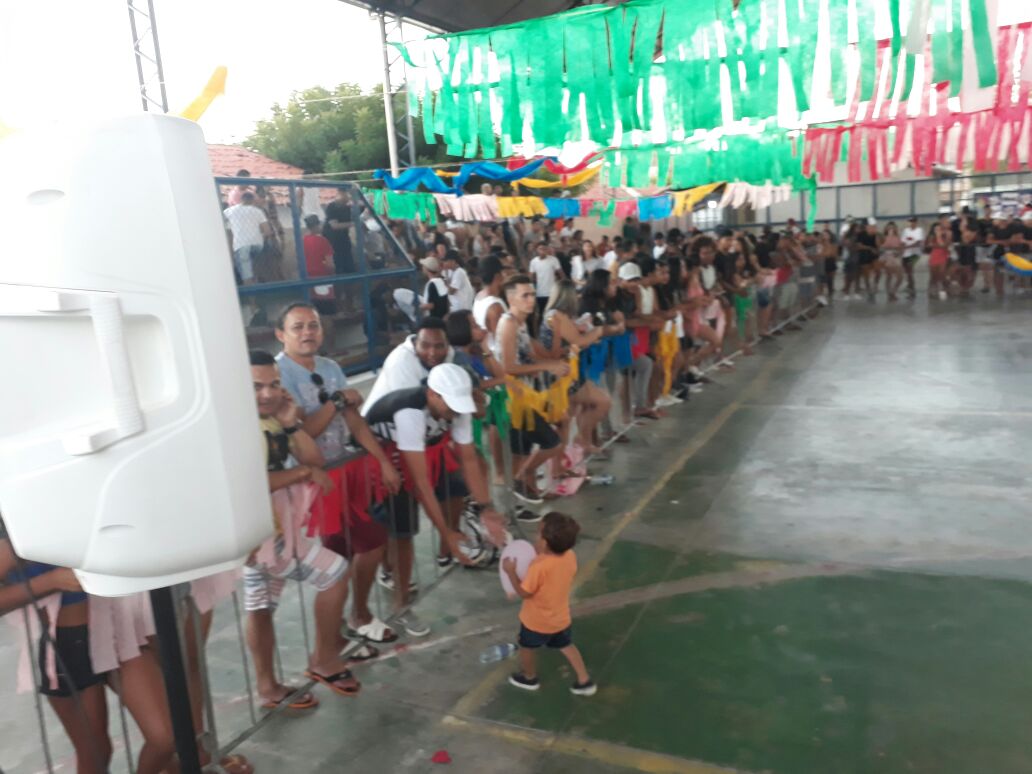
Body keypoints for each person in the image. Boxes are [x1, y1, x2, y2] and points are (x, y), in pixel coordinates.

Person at [274, 303, 403, 646]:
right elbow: (303, 433)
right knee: (366, 544)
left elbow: (353, 421)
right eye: (298, 327)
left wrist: (382, 461)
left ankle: (340, 629)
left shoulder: (329, 367)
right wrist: (335, 401)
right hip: (312, 479)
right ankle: (351, 621)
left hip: (344, 471)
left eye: (313, 325)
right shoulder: (279, 375)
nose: (307, 332)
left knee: (344, 554)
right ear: (281, 334)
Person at [362, 364, 505, 635]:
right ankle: (401, 604)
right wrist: (447, 534)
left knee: (454, 488)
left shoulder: (457, 408)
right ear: (432, 394)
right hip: (385, 459)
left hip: (424, 450)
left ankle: (430, 562)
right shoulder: (410, 412)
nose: (455, 412)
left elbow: (468, 459)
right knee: (403, 532)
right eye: (450, 405)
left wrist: (486, 508)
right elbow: (421, 483)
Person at [495, 274, 570, 504]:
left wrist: (552, 361)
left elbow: (529, 355)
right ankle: (521, 479)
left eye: (532, 295)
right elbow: (508, 367)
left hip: (525, 394)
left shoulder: (521, 323)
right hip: (514, 399)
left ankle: (523, 497)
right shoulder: (508, 324)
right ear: (511, 299)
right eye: (525, 295)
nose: (531, 300)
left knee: (522, 451)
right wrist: (547, 366)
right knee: (552, 443)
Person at [503, 512, 596, 696]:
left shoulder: (538, 566)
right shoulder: (569, 556)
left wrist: (511, 572)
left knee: (526, 647)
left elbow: (525, 593)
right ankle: (584, 680)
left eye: (538, 533)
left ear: (545, 543)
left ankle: (529, 678)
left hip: (536, 622)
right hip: (560, 619)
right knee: (566, 645)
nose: (535, 536)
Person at [539, 280, 611, 455]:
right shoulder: (556, 316)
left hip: (567, 370)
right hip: (562, 373)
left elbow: (572, 342)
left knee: (568, 415)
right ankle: (572, 448)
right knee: (600, 402)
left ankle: (574, 448)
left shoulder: (556, 315)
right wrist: (598, 331)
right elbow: (578, 341)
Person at [223, 191, 271, 286]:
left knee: (246, 272)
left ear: (241, 200)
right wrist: (261, 237)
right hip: (257, 244)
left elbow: (218, 220)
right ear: (252, 201)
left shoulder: (231, 210)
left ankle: (251, 293)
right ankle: (255, 283)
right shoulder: (258, 211)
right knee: (252, 266)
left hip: (241, 245)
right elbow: (267, 231)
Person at [302, 215, 337, 315]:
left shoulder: (302, 241)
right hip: (323, 278)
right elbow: (330, 264)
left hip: (307, 279)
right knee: (327, 313)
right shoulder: (323, 241)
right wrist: (333, 275)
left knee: (313, 312)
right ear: (316, 225)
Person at [323, 187, 355, 275]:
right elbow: (335, 226)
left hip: (344, 240)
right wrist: (353, 223)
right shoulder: (332, 206)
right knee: (338, 268)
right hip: (332, 242)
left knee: (350, 268)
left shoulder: (348, 208)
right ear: (340, 193)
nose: (349, 196)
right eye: (347, 194)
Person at [529, 242, 563, 318]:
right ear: (536, 250)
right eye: (540, 249)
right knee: (542, 313)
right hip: (540, 293)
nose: (542, 251)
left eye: (545, 249)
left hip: (552, 292)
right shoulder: (533, 262)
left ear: (547, 250)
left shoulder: (553, 260)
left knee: (553, 313)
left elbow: (561, 274)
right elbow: (531, 277)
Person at [900, 217, 924, 299]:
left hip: (915, 253)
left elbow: (918, 242)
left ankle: (912, 289)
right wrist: (902, 249)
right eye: (910, 222)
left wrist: (908, 247)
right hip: (906, 254)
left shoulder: (919, 230)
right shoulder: (905, 231)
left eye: (913, 222)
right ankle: (909, 286)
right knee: (906, 271)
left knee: (910, 269)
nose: (912, 223)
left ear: (916, 222)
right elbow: (903, 241)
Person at [880, 222, 905, 302]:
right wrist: (887, 248)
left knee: (900, 277)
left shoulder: (898, 237)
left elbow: (901, 248)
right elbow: (880, 248)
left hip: (896, 257)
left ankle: (893, 291)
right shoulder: (883, 237)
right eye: (889, 227)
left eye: (892, 227)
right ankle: (889, 294)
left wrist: (899, 252)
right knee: (889, 276)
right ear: (886, 228)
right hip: (887, 257)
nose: (891, 229)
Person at [927, 221, 951, 300]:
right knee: (933, 276)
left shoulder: (945, 236)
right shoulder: (931, 237)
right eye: (936, 229)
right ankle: (931, 291)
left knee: (942, 275)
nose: (938, 231)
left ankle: (943, 291)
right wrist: (937, 242)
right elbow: (930, 245)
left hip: (943, 257)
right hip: (934, 257)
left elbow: (944, 245)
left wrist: (939, 237)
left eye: (939, 229)